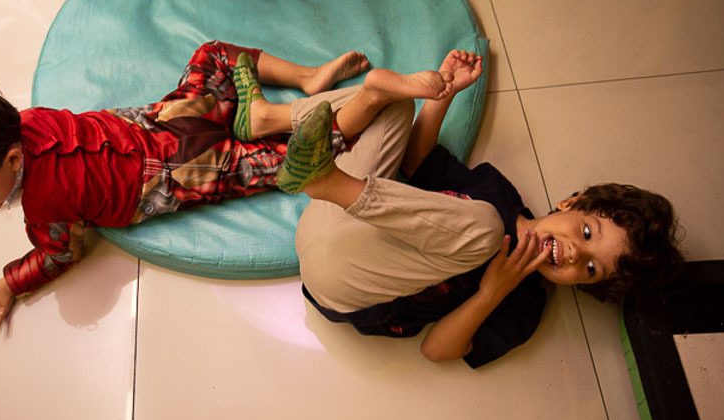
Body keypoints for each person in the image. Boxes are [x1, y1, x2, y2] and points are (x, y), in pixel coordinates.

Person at [0, 40, 459, 334]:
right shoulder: (29, 120)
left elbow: (59, 254)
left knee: (286, 163)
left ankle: (367, 100)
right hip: (166, 118)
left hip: (176, 173)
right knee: (214, 55)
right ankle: (301, 82)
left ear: (8, 158)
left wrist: (10, 284)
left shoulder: (43, 205)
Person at [273, 50, 684, 368]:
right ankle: (267, 119)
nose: (577, 254)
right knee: (395, 104)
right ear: (571, 203)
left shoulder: (524, 303)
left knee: (487, 231)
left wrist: (493, 290)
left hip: (345, 281)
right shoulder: (498, 190)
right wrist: (445, 89)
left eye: (591, 269)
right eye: (588, 233)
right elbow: (417, 161)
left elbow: (437, 350)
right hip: (332, 215)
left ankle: (324, 177)